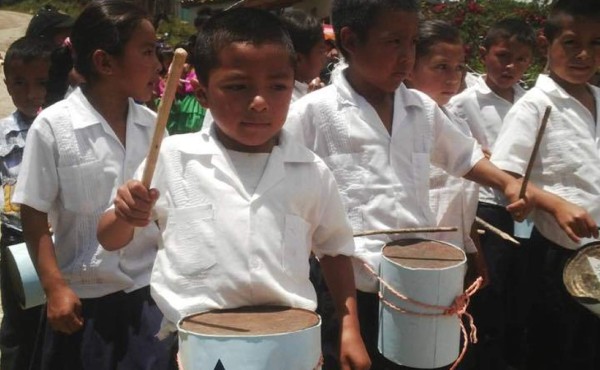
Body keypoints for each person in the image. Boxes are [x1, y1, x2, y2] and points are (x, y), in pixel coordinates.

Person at [285, 1, 597, 369]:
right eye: (394, 42)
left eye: (413, 43)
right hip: (349, 288)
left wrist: (509, 185)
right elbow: (286, 197)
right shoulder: (311, 114)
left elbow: (464, 157)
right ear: (351, 40)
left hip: (419, 276)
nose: (406, 56)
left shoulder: (420, 108)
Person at [97, 8, 370, 370]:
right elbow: (110, 238)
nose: (259, 102)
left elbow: (334, 250)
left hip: (287, 348)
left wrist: (350, 327)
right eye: (238, 86)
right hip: (197, 347)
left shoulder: (311, 171)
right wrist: (126, 214)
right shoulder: (173, 158)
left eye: (277, 87)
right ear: (203, 93)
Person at [13, 1, 175, 369]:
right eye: (148, 52)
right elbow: (34, 211)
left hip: (148, 300)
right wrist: (55, 288)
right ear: (105, 62)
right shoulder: (54, 127)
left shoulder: (154, 127)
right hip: (83, 304)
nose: (159, 65)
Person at [491, 1, 600, 369]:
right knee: (556, 350)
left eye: (596, 43)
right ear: (546, 43)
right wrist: (552, 203)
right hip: (557, 257)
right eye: (571, 42)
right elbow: (506, 175)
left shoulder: (599, 99)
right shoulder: (535, 106)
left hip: (598, 256)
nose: (584, 54)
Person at [446, 18, 538, 370]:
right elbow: (467, 156)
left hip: (526, 207)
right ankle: (483, 354)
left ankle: (516, 354)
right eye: (503, 56)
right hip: (487, 209)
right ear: (484, 55)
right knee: (490, 286)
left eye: (521, 59)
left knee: (523, 284)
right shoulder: (464, 103)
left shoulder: (531, 102)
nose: (510, 66)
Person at [404, 19, 487, 286]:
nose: (453, 78)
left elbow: (462, 206)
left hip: (453, 259)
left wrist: (476, 257)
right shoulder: (399, 127)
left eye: (459, 68)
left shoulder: (458, 125)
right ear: (408, 68)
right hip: (411, 262)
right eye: (441, 67)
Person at [0, 36, 52, 370]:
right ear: (7, 85)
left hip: (57, 242)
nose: (32, 93)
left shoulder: (63, 128)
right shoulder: (3, 134)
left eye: (42, 83)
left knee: (56, 321)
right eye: (20, 83)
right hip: (16, 244)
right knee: (19, 324)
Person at [280, 9, 327, 102]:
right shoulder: (285, 99)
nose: (325, 57)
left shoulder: (311, 88)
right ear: (298, 59)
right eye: (320, 52)